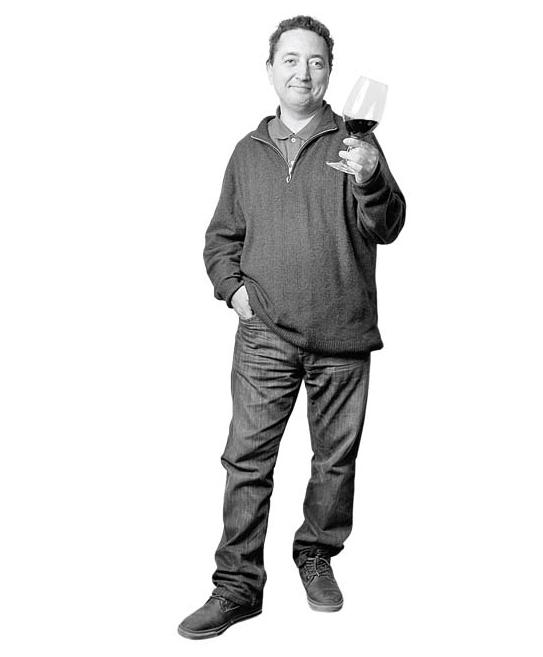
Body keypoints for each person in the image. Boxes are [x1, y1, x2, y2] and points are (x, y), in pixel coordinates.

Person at [178, 15, 406, 640]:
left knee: (335, 462)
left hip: (343, 335)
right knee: (246, 461)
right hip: (266, 335)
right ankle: (237, 587)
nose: (304, 72)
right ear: (271, 69)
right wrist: (236, 293)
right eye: (291, 60)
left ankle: (316, 554)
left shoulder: (355, 144)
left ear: (330, 71)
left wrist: (371, 177)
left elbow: (388, 226)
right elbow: (221, 239)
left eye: (316, 61)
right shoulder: (246, 152)